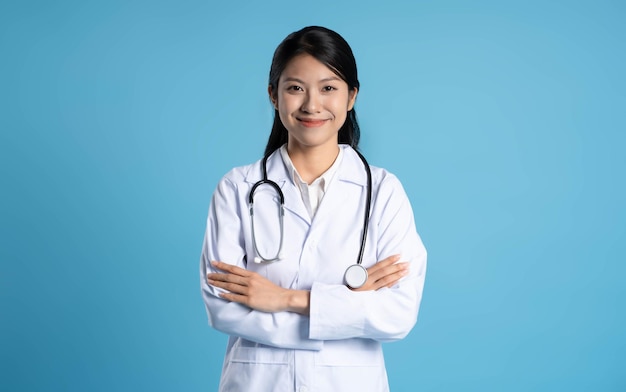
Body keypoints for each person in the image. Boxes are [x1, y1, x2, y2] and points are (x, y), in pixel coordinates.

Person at [200, 26, 427, 392]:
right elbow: (223, 307)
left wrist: (286, 299)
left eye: (328, 88)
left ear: (351, 96)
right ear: (273, 95)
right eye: (295, 88)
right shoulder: (237, 188)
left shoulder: (383, 192)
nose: (311, 105)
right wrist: (344, 309)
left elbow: (398, 315)